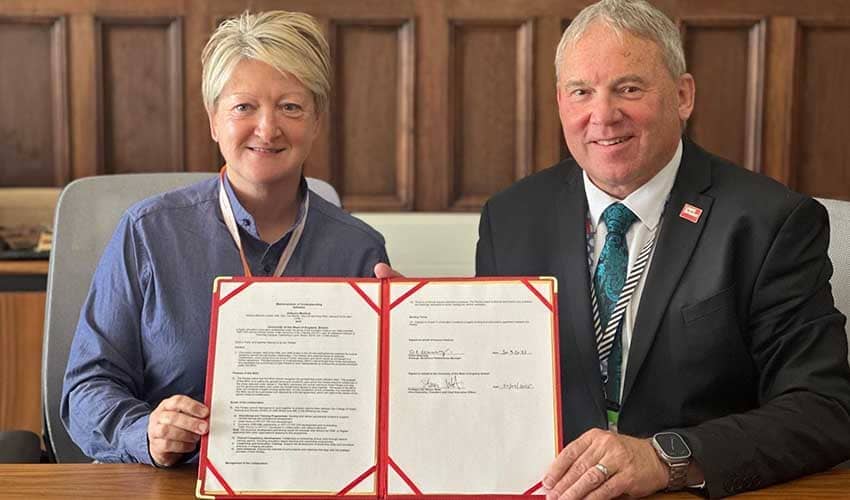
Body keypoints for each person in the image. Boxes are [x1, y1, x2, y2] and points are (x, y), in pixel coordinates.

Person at [457, 0, 850, 497]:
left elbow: (824, 408)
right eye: (582, 91)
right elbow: (490, 386)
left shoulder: (769, 222)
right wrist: (420, 329)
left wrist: (668, 457)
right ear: (561, 102)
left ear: (682, 95)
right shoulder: (509, 218)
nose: (603, 115)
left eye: (629, 88)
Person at [61, 11, 389, 467]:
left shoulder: (360, 250)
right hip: (170, 483)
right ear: (214, 120)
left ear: (317, 121)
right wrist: (146, 433)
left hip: (312, 484)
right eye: (244, 107)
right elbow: (86, 388)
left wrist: (408, 339)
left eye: (291, 106)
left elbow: (380, 414)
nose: (267, 128)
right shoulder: (149, 233)